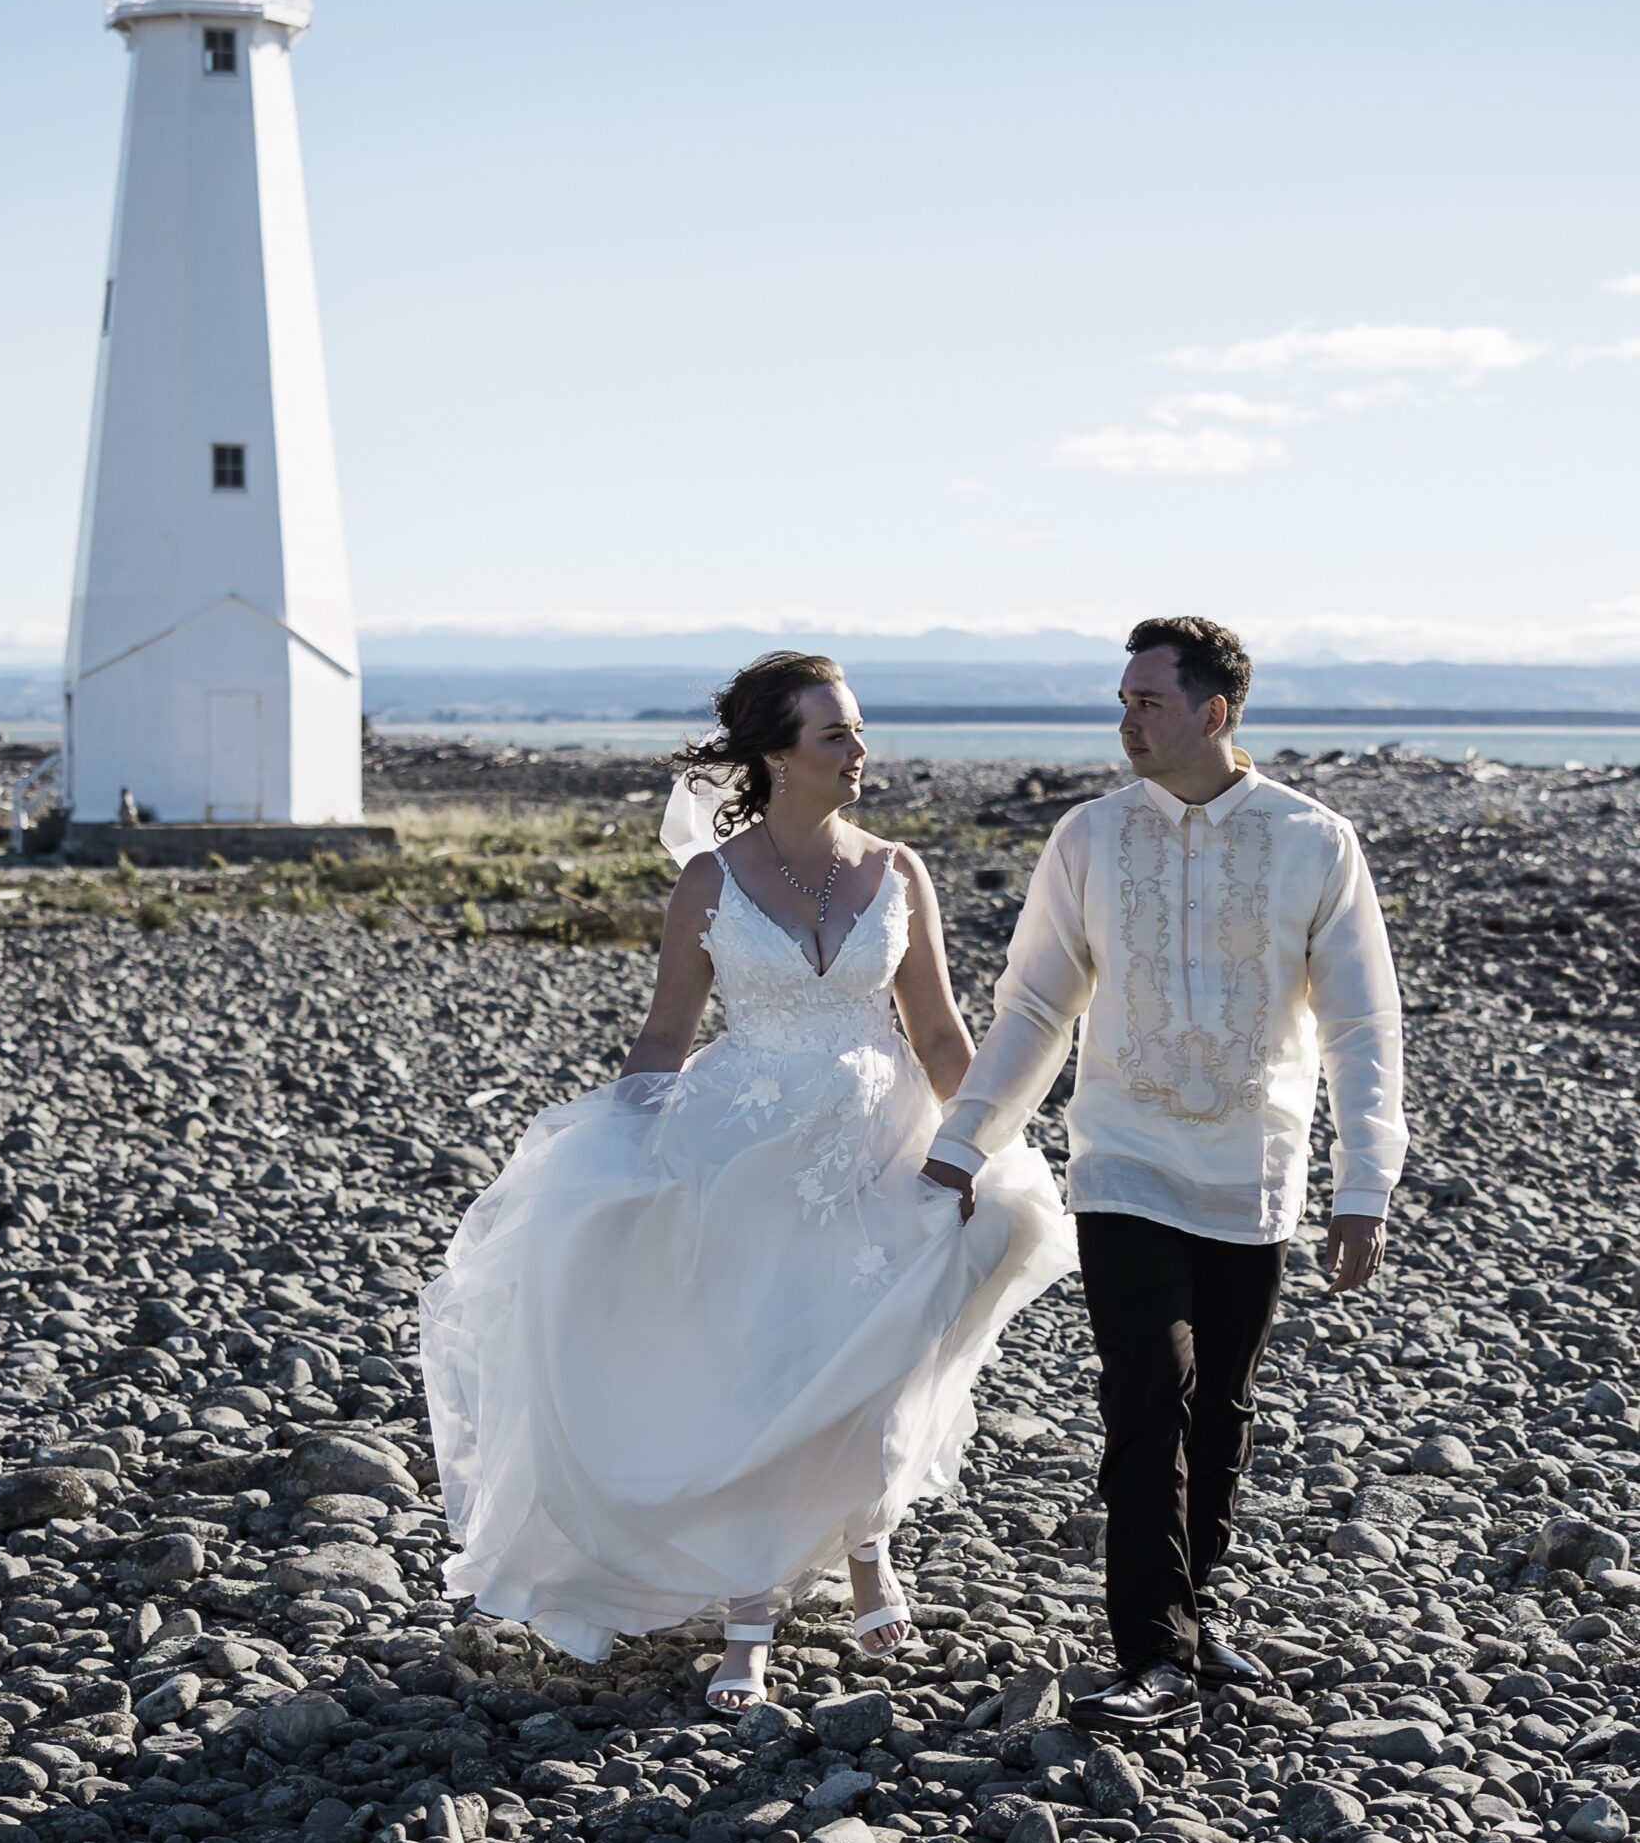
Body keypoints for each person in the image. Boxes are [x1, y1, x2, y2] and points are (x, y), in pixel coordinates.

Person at [419, 650, 1076, 1712]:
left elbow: (942, 1032)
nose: (860, 750)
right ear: (776, 755)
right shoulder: (708, 882)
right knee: (763, 1364)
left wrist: (986, 1142)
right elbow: (667, 1032)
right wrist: (619, 1154)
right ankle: (749, 1607)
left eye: (858, 731)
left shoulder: (899, 870)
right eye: (835, 734)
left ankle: (869, 1549)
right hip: (746, 1150)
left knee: (872, 1353)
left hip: (883, 1143)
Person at [923, 616, 1407, 1734]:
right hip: (1124, 1159)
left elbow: (1361, 1027)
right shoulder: (1089, 838)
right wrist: (965, 1142)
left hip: (1253, 1168)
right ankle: (1149, 1651)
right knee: (1150, 1391)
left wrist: (1362, 1184)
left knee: (1222, 1410)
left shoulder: (1313, 841)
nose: (1125, 719)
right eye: (1124, 699)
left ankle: (1191, 1614)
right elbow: (1037, 1005)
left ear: (1214, 712)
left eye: (1147, 700)